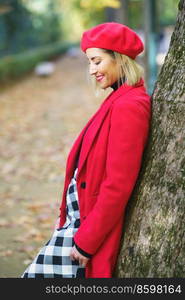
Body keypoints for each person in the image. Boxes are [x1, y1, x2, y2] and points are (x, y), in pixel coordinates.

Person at [21, 22, 151, 278]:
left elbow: (119, 183)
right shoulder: (119, 99)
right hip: (78, 223)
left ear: (120, 59)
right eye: (89, 62)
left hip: (85, 230)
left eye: (97, 61)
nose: (92, 70)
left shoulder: (129, 106)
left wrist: (86, 241)